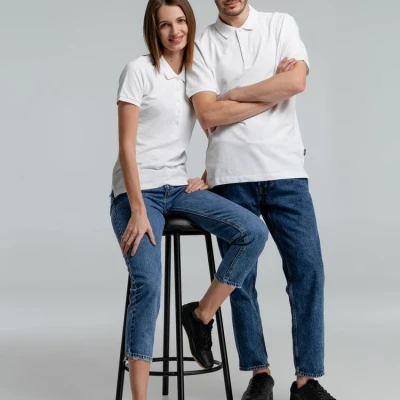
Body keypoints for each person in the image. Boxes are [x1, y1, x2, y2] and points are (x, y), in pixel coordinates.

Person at [108, 1, 293, 399]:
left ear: (190, 24)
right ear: (153, 31)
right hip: (136, 193)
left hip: (178, 188)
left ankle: (200, 314)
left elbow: (217, 122)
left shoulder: (195, 74)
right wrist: (137, 209)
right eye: (164, 25)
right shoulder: (138, 70)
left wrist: (210, 174)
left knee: (252, 232)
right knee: (148, 285)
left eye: (180, 21)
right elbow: (126, 146)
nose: (175, 31)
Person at [184, 1, 336, 399]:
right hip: (230, 174)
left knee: (308, 271)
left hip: (286, 170)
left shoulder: (280, 24)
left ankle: (307, 380)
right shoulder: (202, 44)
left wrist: (234, 94)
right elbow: (207, 113)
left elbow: (296, 83)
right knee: (240, 281)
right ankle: (259, 373)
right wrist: (271, 90)